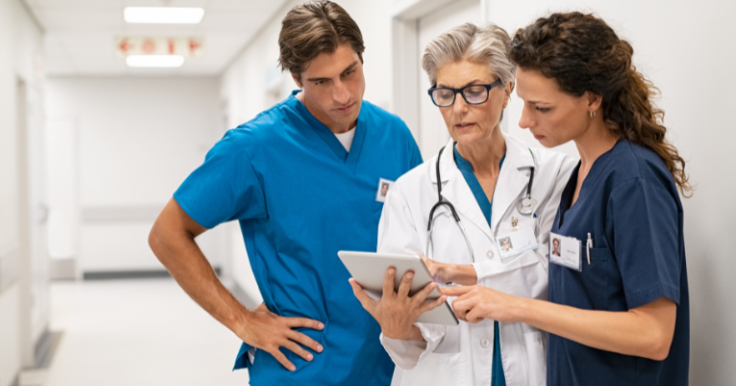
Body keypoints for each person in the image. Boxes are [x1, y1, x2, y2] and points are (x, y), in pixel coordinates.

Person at [148, 2, 422, 385]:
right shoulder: (253, 149)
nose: (342, 94)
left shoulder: (395, 136)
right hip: (302, 367)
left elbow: (419, 238)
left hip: (390, 363)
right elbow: (166, 234)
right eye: (321, 82)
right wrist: (242, 321)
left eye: (350, 72)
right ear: (296, 77)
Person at [441, 12, 691, 386]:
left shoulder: (632, 180)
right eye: (523, 103)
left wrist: (518, 308)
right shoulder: (579, 175)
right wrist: (475, 275)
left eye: (541, 108)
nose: (524, 121)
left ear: (592, 98)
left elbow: (654, 335)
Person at [349, 23, 575, 386]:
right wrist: (396, 324)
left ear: (507, 91)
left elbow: (557, 278)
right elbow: (408, 349)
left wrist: (470, 274)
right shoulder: (410, 193)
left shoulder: (554, 175)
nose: (458, 109)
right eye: (445, 93)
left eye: (474, 92)